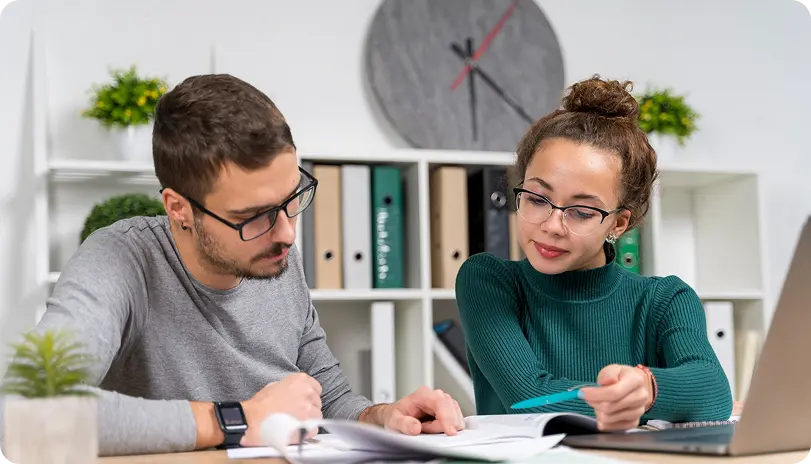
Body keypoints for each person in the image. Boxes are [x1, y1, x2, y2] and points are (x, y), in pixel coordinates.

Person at [0, 74, 464, 456]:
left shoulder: (273, 252)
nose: (287, 233)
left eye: (290, 200)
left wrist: (382, 417)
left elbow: (328, 394)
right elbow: (29, 410)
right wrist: (240, 418)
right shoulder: (120, 260)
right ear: (179, 208)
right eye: (253, 216)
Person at [455, 75, 733, 431]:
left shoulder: (665, 300)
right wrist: (653, 402)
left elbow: (713, 391)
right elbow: (528, 398)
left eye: (582, 212)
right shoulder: (488, 281)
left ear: (618, 223)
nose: (552, 225)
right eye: (537, 199)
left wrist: (648, 388)